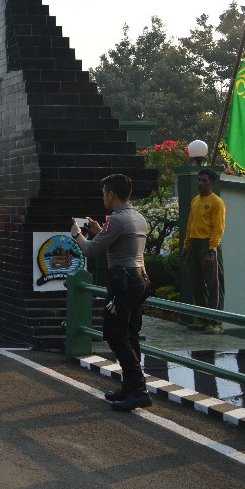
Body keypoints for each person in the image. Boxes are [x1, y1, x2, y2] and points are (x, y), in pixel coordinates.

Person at [72, 173, 152, 412]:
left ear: (112, 194)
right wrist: (99, 231)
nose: (103, 197)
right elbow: (118, 243)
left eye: (104, 193)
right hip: (139, 279)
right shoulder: (137, 217)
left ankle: (138, 389)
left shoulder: (117, 219)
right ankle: (130, 387)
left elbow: (90, 250)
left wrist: (77, 233)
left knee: (115, 334)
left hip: (123, 281)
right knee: (129, 332)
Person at [181, 168, 225, 320]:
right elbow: (190, 224)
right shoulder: (195, 200)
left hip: (208, 246)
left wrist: (211, 250)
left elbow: (218, 228)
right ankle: (202, 319)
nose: (200, 183)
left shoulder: (217, 202)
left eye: (204, 180)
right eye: (199, 180)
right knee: (197, 283)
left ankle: (215, 321)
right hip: (194, 244)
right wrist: (186, 247)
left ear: (212, 183)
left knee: (213, 284)